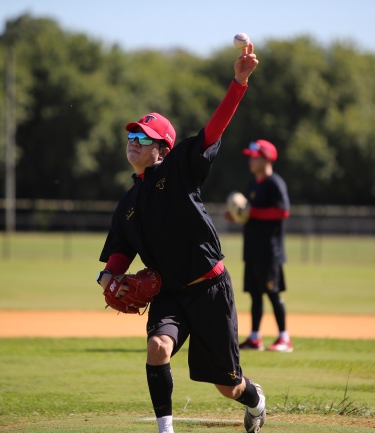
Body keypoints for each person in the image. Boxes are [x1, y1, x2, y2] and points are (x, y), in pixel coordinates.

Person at [97, 42, 265, 433]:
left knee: (228, 385)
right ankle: (165, 429)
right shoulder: (128, 203)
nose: (133, 143)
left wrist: (238, 82)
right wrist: (109, 281)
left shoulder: (180, 170)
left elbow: (214, 129)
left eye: (143, 139)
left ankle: (254, 399)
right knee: (158, 349)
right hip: (170, 291)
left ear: (162, 148)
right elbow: (117, 257)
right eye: (132, 138)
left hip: (209, 288)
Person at [233, 139, 292, 352]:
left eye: (255, 156)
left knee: (273, 293)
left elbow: (283, 211)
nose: (251, 160)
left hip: (270, 251)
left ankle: (284, 338)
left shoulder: (274, 183)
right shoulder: (252, 185)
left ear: (266, 158)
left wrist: (253, 213)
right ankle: (255, 337)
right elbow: (250, 215)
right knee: (255, 295)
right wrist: (236, 216)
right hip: (252, 249)